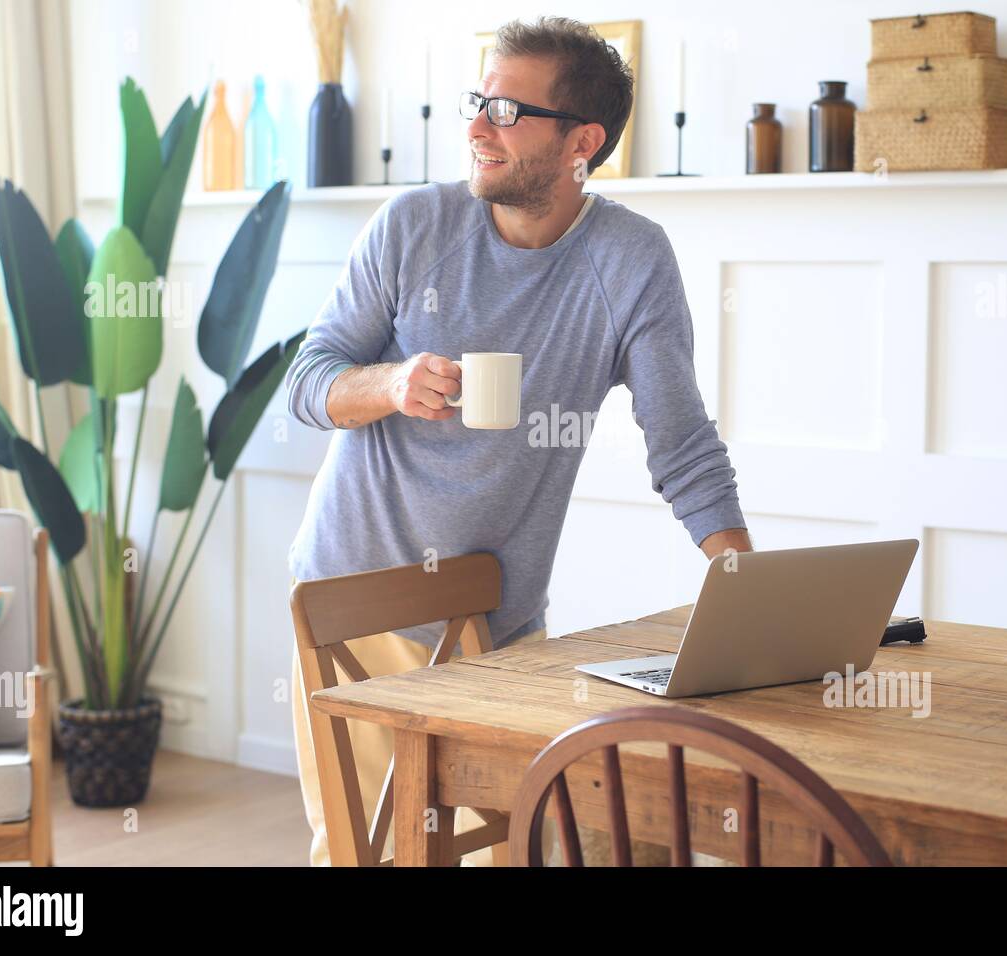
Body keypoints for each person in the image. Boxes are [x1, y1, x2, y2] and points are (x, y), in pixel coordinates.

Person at [285, 15, 751, 867]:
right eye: (478, 102)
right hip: (357, 604)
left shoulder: (631, 259)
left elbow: (681, 443)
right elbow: (307, 383)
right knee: (375, 856)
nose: (474, 128)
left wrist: (747, 590)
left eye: (505, 111)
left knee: (537, 847)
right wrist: (390, 386)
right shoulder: (411, 227)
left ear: (583, 142)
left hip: (497, 618)